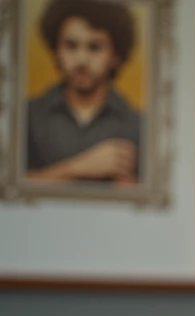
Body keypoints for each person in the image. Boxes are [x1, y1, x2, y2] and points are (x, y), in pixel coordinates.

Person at [25, 0, 141, 184]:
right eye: (71, 46)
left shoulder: (140, 127)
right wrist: (78, 168)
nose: (81, 59)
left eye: (95, 47)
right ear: (56, 51)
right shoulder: (26, 117)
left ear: (115, 56)